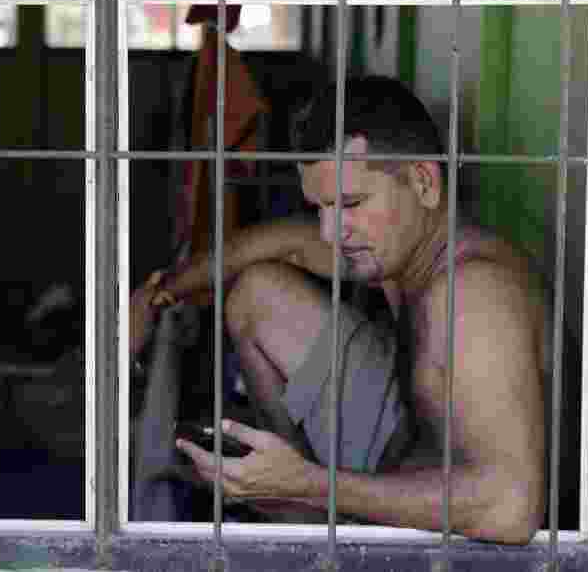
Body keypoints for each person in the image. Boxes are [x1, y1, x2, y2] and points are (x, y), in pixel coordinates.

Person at [129, 76, 553, 545]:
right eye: (322, 207)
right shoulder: (401, 246)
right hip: (412, 440)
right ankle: (300, 512)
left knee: (310, 487)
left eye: (350, 203)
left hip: (482, 519)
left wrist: (309, 485)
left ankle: (302, 503)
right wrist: (157, 295)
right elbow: (287, 244)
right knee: (257, 292)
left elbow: (510, 509)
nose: (331, 231)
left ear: (424, 182)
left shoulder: (476, 296)